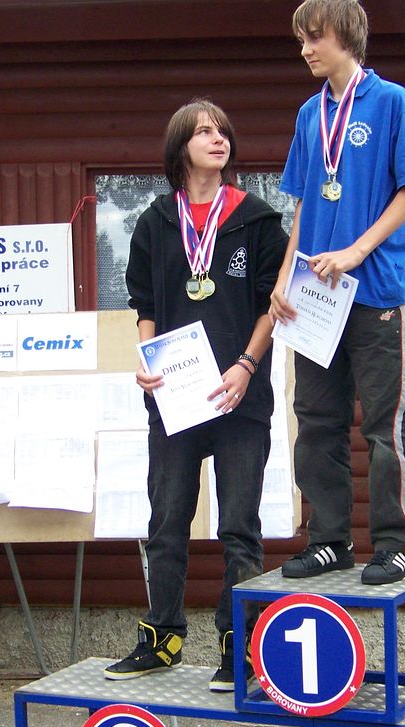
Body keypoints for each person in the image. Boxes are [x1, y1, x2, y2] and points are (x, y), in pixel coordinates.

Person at [104, 100, 287, 691]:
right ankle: (163, 637)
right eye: (204, 131)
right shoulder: (156, 221)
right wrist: (146, 357)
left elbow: (273, 304)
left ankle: (241, 647)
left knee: (239, 526)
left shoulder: (257, 219)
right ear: (180, 146)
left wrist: (247, 365)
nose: (217, 139)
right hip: (174, 398)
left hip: (238, 395)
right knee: (166, 522)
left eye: (223, 131)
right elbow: (144, 303)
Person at [271, 0, 405, 585]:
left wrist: (356, 251)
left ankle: (393, 544)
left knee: (384, 424)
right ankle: (328, 541)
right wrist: (284, 278)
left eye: (315, 37)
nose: (306, 50)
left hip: (374, 291)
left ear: (346, 37)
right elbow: (303, 204)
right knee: (316, 420)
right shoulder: (308, 114)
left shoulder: (390, 101)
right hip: (314, 298)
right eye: (302, 40)